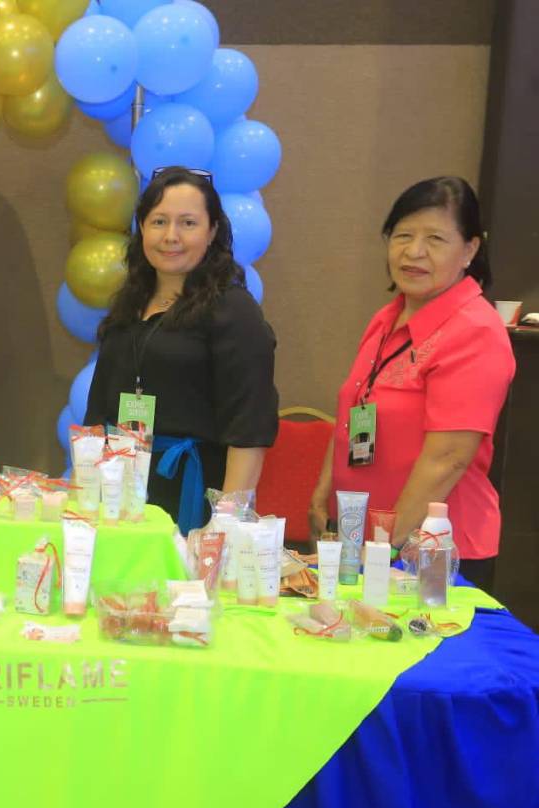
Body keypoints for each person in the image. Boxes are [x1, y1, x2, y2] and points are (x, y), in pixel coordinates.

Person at [309, 177, 514, 591]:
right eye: (402, 235)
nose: (414, 251)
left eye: (435, 239)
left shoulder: (475, 331)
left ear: (470, 250)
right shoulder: (389, 317)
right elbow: (355, 408)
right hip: (364, 538)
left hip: (432, 550)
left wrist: (385, 545)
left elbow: (449, 458)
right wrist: (324, 492)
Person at [84, 166, 278, 533]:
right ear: (141, 228)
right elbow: (98, 413)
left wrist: (224, 524)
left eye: (188, 223)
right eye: (158, 221)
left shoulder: (233, 310)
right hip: (121, 495)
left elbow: (249, 431)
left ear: (213, 232)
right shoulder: (128, 306)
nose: (170, 236)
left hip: (194, 495)